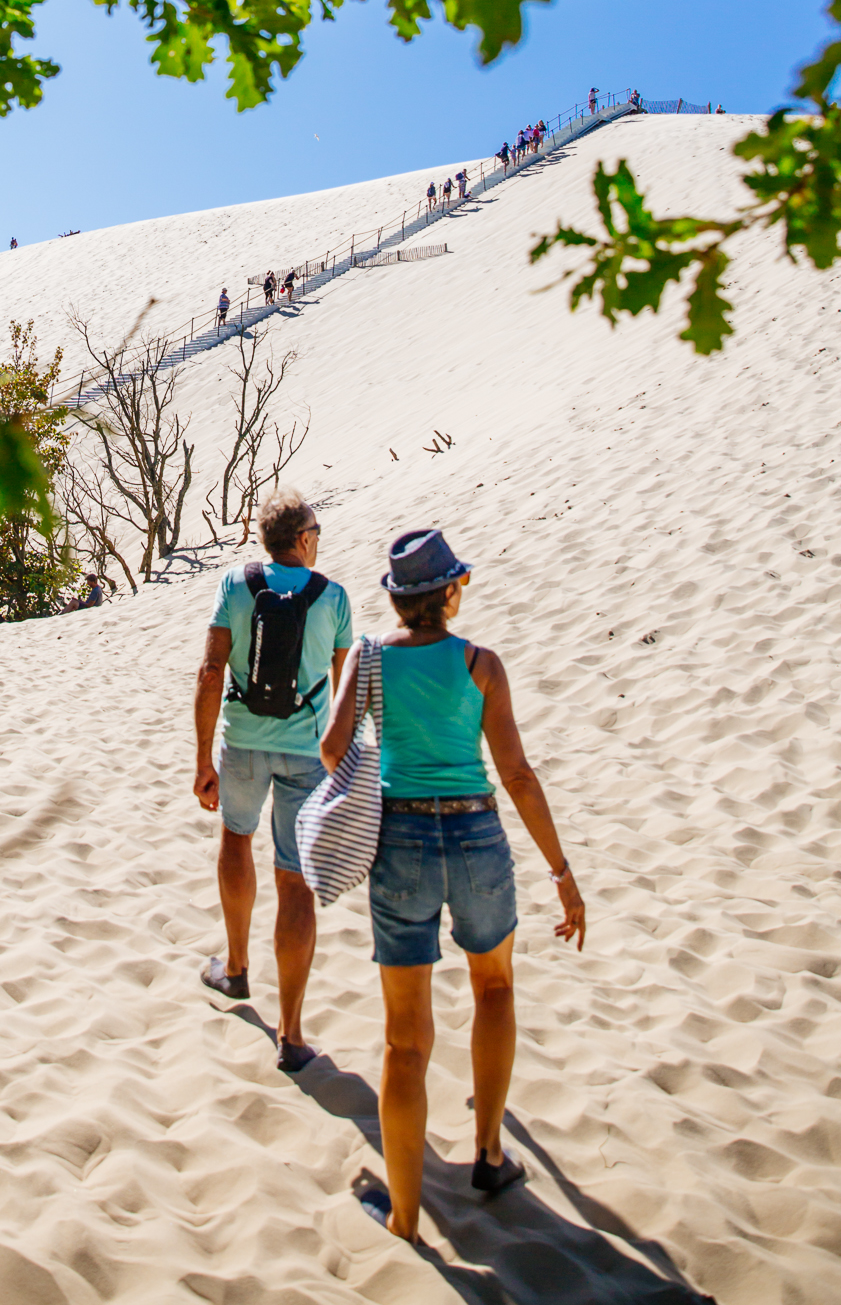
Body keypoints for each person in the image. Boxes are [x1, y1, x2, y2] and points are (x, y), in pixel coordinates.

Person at [318, 527, 586, 1244]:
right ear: (450, 594)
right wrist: (562, 871)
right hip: (476, 837)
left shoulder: (371, 657)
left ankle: (406, 1217)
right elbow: (518, 775)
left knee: (405, 1041)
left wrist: (372, 710)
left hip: (400, 844)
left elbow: (332, 747)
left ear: (399, 601)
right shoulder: (481, 665)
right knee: (494, 989)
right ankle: (490, 1153)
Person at [193, 489, 353, 1072]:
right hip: (306, 757)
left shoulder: (235, 585)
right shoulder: (332, 597)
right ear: (304, 539)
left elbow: (212, 671)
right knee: (295, 882)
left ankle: (235, 969)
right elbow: (343, 691)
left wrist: (202, 759)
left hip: (243, 745)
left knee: (237, 840)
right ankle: (290, 1032)